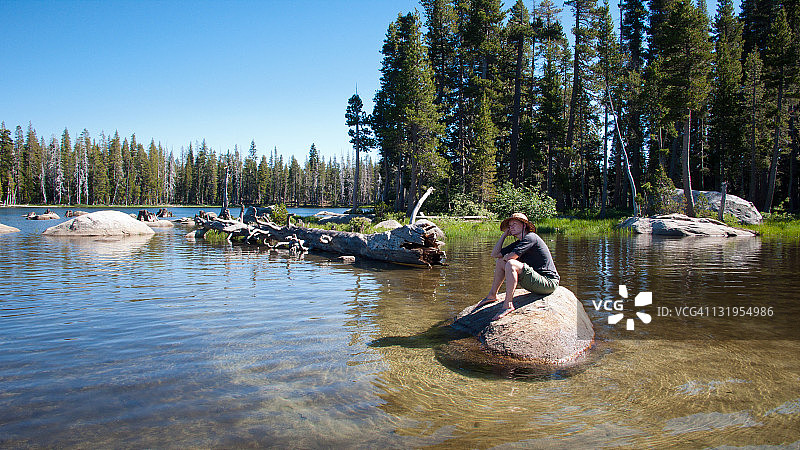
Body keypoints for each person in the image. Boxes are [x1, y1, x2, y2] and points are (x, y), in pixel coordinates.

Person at [477, 212, 560, 320]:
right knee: (500, 262)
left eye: (514, 224)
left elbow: (511, 257)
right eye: (509, 226)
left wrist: (508, 257)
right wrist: (504, 235)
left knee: (511, 263)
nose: (511, 227)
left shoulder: (531, 237)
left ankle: (508, 305)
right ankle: (492, 295)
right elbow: (495, 254)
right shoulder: (519, 242)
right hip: (535, 281)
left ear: (524, 225)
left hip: (548, 283)